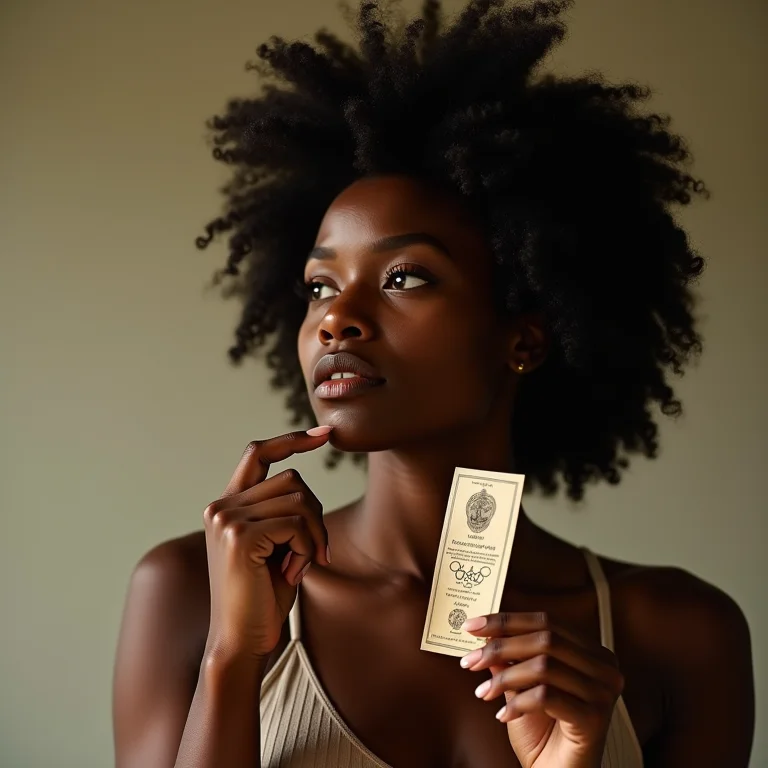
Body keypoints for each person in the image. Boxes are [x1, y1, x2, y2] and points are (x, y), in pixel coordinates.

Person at [111, 1, 755, 766]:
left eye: (404, 277)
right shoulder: (188, 589)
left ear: (523, 337)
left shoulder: (678, 633)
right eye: (320, 286)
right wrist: (235, 659)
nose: (336, 320)